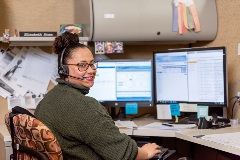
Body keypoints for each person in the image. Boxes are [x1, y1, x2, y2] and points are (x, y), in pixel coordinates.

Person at [35, 32, 161, 160]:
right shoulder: (85, 106)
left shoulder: (48, 99)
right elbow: (124, 154)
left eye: (92, 64)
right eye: (82, 65)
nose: (91, 70)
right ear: (63, 69)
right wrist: (146, 152)